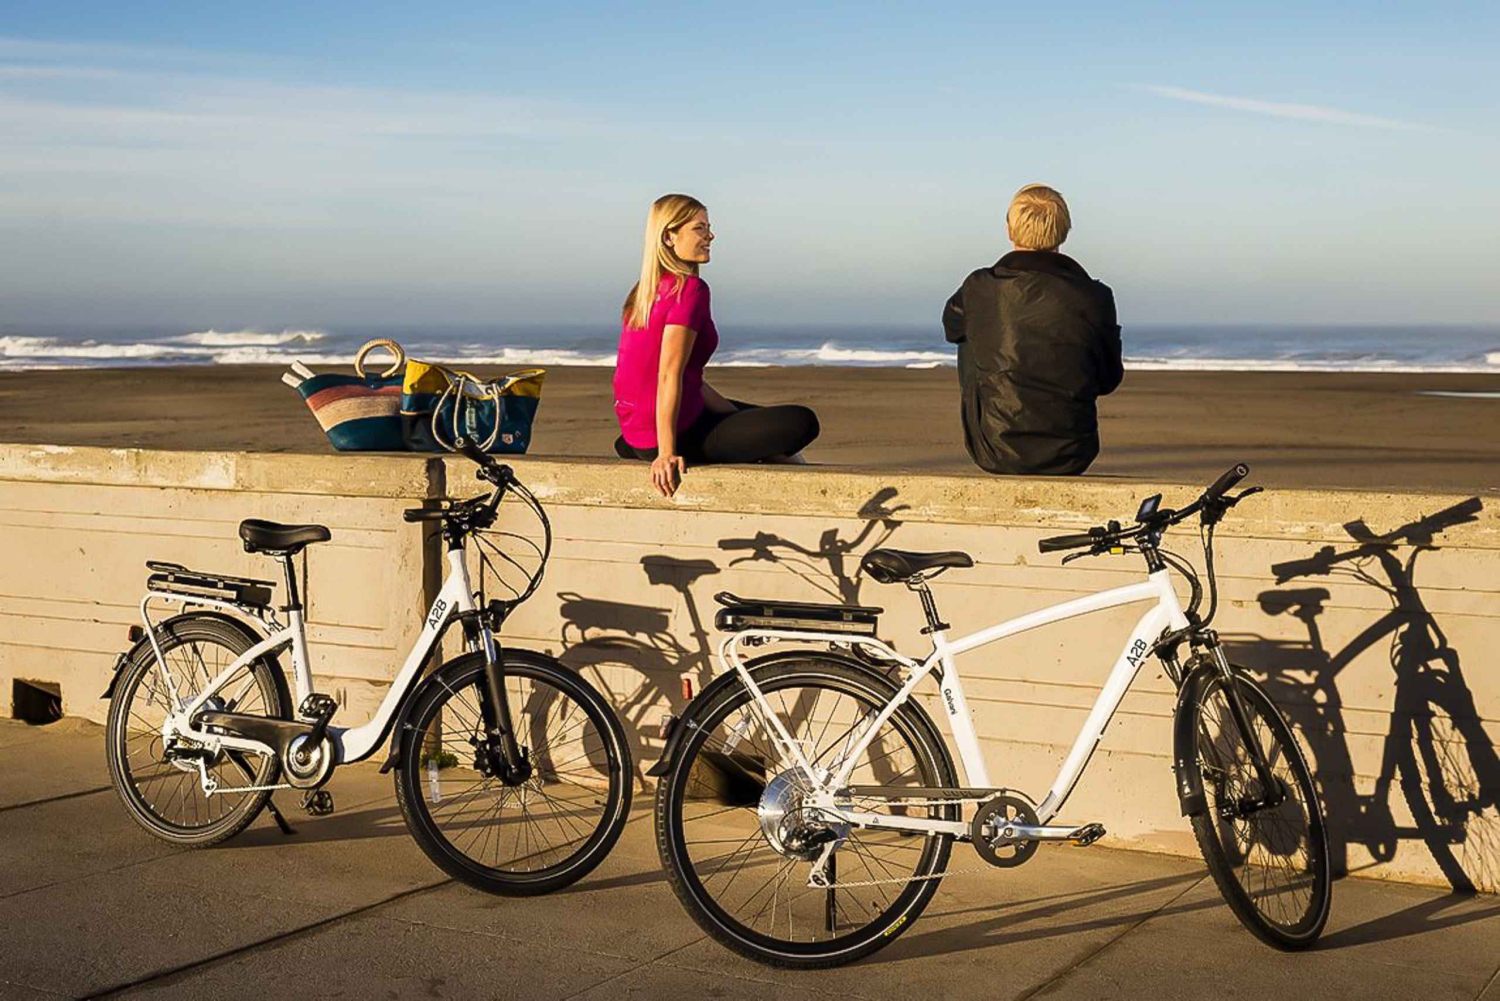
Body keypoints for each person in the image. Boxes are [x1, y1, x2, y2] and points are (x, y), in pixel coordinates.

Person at [613, 193, 819, 497]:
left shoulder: (643, 293)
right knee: (800, 423)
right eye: (699, 228)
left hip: (637, 434)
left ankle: (808, 487)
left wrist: (732, 413)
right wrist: (666, 453)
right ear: (669, 237)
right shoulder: (690, 289)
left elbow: (678, 374)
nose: (710, 236)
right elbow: (669, 373)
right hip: (671, 435)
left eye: (709, 227)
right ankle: (813, 497)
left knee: (762, 427)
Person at [942, 184, 1123, 475]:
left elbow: (950, 329)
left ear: (1009, 230)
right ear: (1064, 231)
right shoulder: (1095, 296)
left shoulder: (979, 287)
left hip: (995, 450)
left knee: (969, 330)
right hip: (1073, 453)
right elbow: (1108, 380)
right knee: (973, 326)